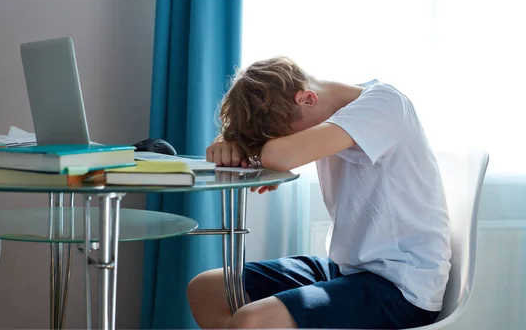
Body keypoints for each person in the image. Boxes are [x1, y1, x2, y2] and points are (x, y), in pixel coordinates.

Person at [187, 57, 451, 329]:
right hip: (344, 270)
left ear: (308, 98)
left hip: (400, 287)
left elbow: (281, 154)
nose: (283, 142)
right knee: (206, 290)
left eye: (283, 135)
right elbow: (278, 154)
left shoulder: (383, 105)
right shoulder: (333, 118)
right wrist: (229, 142)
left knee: (252, 321)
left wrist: (267, 152)